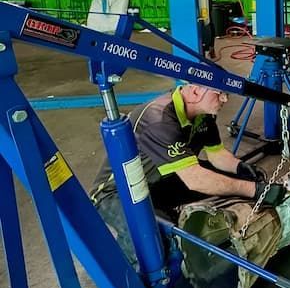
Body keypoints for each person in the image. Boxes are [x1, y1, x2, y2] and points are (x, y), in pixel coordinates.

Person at [90, 83, 278, 260]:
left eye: (226, 94)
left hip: (162, 181)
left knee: (232, 180)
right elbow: (195, 179)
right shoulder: (159, 119)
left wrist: (240, 168)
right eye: (219, 93)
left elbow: (216, 154)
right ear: (195, 91)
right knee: (153, 238)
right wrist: (254, 189)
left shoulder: (203, 115)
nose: (225, 100)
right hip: (118, 193)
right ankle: (134, 280)